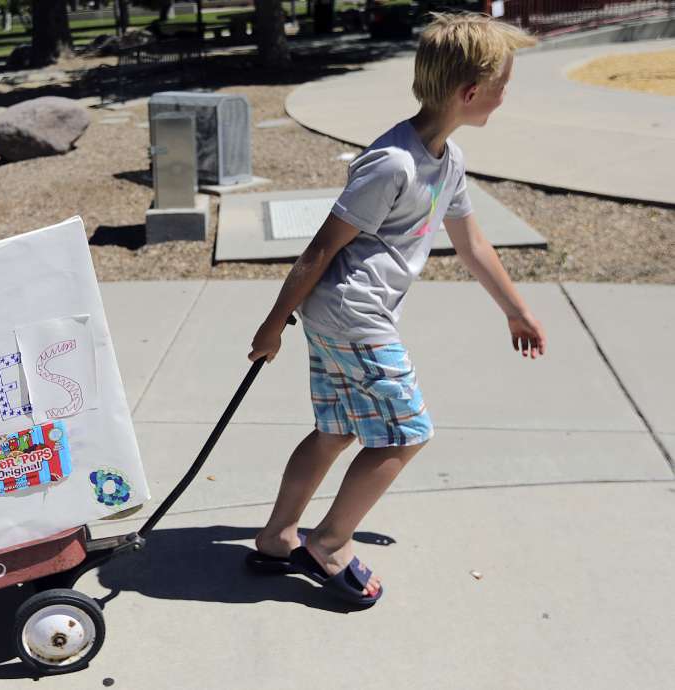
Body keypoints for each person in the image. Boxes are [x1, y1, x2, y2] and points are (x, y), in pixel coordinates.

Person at [244, 13, 544, 607]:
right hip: (355, 316)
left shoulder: (447, 158)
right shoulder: (393, 163)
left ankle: (278, 538)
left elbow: (472, 243)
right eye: (503, 84)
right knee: (408, 434)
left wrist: (515, 309)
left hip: (345, 315)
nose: (507, 96)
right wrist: (272, 325)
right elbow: (320, 248)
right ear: (469, 92)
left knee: (336, 429)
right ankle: (329, 543)